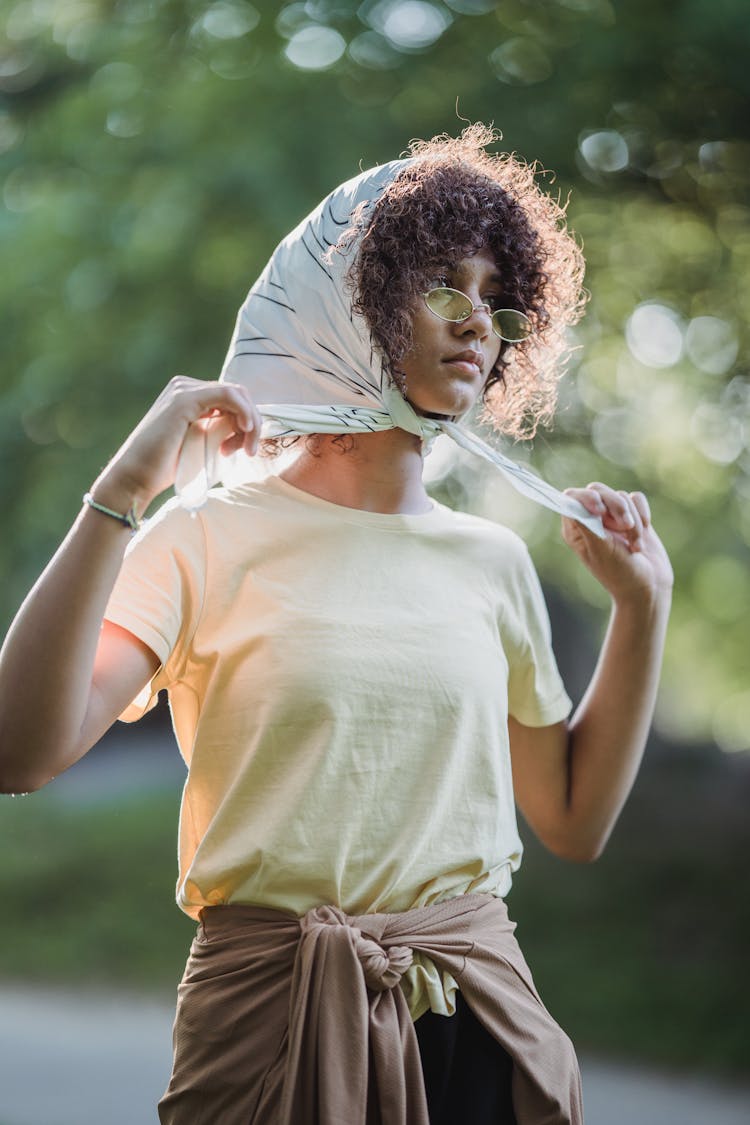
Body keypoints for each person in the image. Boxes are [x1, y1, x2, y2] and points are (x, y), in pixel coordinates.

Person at [0, 125, 672, 1125]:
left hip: (480, 1023)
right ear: (352, 295)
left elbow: (573, 822)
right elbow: (21, 752)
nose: (479, 320)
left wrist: (643, 608)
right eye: (446, 284)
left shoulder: (493, 562)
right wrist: (123, 489)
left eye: (500, 299)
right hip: (269, 1021)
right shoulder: (200, 537)